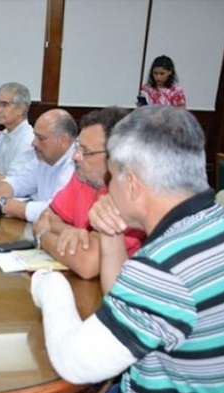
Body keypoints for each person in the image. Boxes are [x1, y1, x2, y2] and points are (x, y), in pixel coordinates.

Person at [31, 106, 224, 393]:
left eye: (113, 176)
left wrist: (49, 284)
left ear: (132, 184)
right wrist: (110, 232)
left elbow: (74, 363)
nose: (108, 186)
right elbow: (123, 298)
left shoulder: (164, 265)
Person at [32, 107, 146, 281]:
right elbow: (46, 216)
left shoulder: (130, 195)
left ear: (117, 157)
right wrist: (72, 231)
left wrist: (43, 236)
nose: (75, 157)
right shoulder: (84, 178)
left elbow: (87, 264)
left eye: (86, 151)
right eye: (78, 148)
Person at [0, 109, 77, 221]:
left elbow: (54, 211)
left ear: (63, 140)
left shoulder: (77, 165)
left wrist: (2, 204)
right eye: (35, 136)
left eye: (41, 138)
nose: (34, 143)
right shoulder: (43, 158)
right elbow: (18, 182)